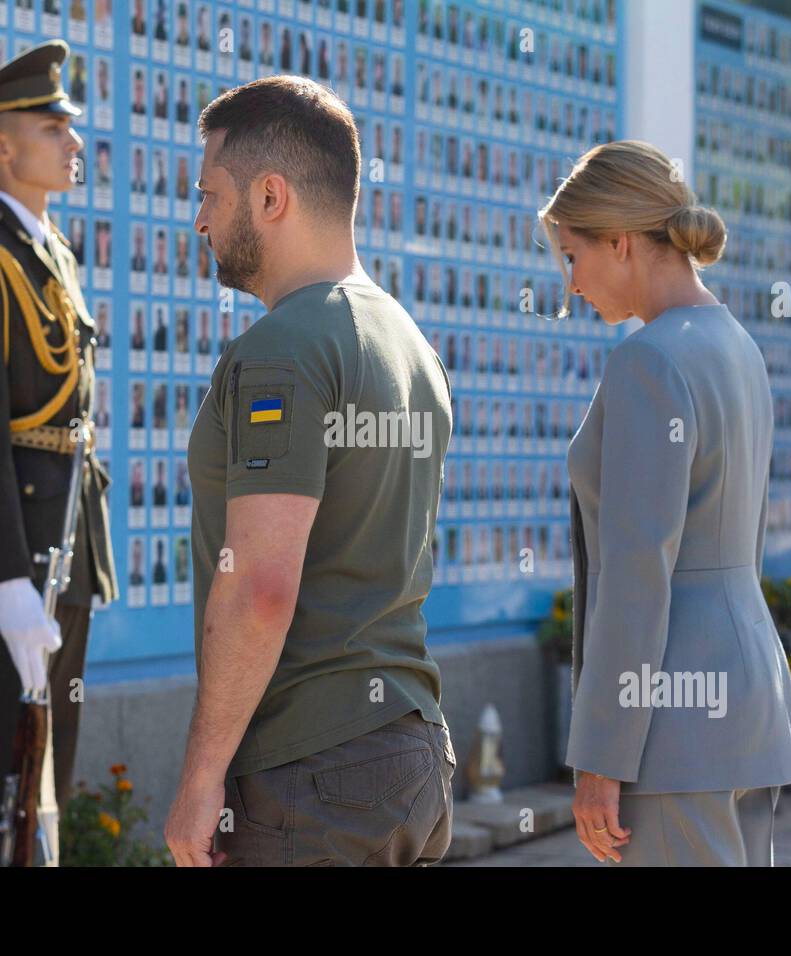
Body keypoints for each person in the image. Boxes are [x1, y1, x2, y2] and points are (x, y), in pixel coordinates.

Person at [163, 76, 455, 867]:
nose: (199, 219)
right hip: (409, 751)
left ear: (270, 196)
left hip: (312, 772)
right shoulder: (410, 345)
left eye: (210, 195)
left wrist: (200, 778)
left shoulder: (283, 351)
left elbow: (260, 586)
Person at [543, 141, 791, 866]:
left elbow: (637, 573)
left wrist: (601, 757)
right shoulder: (736, 344)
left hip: (671, 723)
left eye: (573, 256)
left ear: (622, 243)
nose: (570, 284)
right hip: (746, 701)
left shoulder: (649, 360)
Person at [0, 40, 118, 866]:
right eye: (53, 127)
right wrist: (7, 581)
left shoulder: (56, 253)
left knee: (45, 780)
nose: (73, 142)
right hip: (12, 556)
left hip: (67, 544)